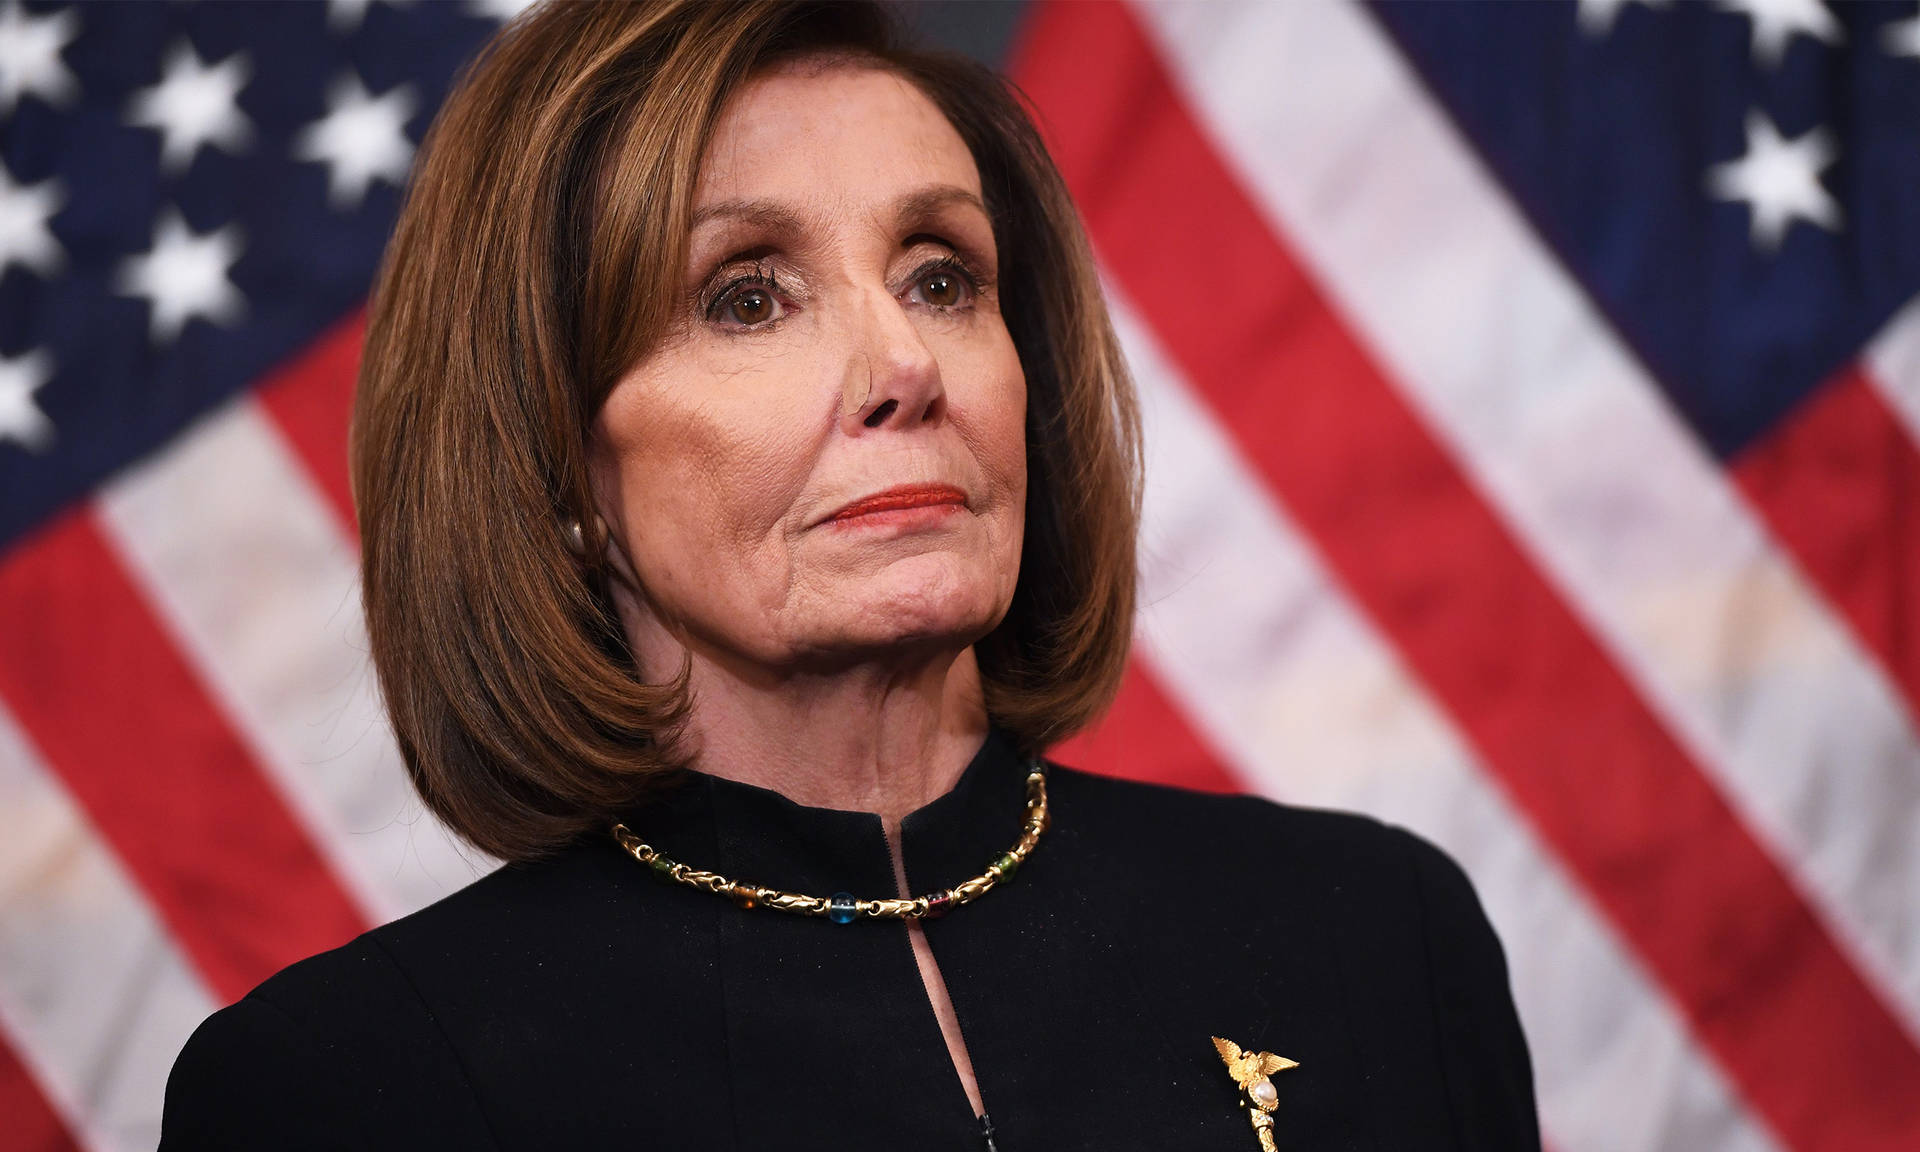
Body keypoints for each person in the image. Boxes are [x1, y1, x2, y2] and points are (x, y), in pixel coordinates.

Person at [160, 2, 1539, 1148]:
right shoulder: (345, 1090)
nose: (904, 368)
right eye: (746, 295)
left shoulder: (1377, 943)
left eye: (941, 276)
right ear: (556, 462)